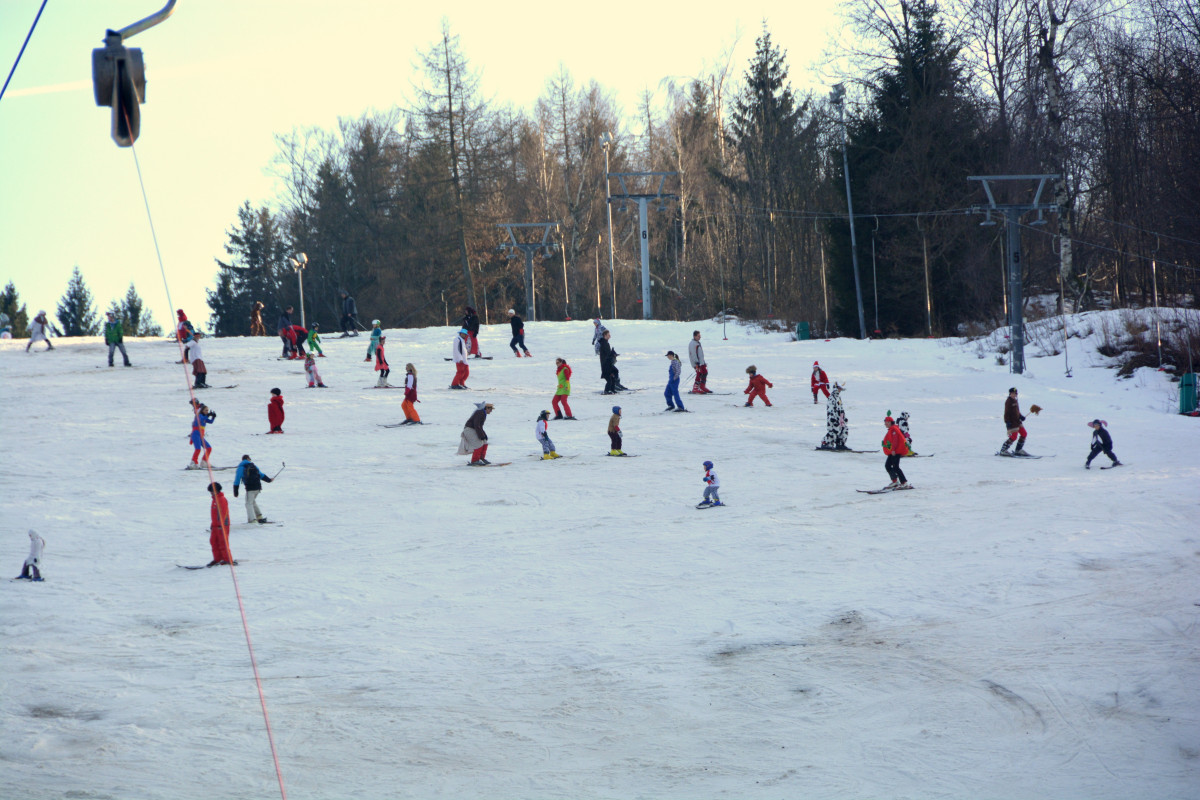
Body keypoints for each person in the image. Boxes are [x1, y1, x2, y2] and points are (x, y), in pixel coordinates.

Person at [233, 454, 274, 524]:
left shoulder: (241, 468)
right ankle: (259, 516)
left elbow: (237, 480)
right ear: (248, 459)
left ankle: (253, 520)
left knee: (248, 503)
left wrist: (236, 492)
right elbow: (261, 475)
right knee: (252, 501)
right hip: (258, 488)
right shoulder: (254, 466)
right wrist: (269, 480)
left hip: (250, 488)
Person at [1000, 387, 1039, 455]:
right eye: (1013, 393)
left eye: (1016, 393)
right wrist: (1007, 421)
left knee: (1024, 433)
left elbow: (1017, 411)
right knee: (1014, 437)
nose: (1015, 394)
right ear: (1010, 393)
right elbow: (1006, 412)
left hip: (1018, 421)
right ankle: (1003, 450)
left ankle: (1018, 450)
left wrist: (1021, 416)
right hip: (1012, 422)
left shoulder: (1015, 400)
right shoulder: (1008, 401)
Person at [207, 482, 235, 567]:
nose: (211, 493)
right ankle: (217, 559)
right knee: (213, 542)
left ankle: (227, 559)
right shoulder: (214, 500)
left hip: (222, 526)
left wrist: (221, 525)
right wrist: (213, 524)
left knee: (223, 543)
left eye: (212, 491)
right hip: (215, 526)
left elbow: (223, 513)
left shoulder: (222, 499)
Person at [882, 414, 911, 489]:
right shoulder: (892, 429)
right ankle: (895, 481)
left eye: (886, 422)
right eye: (885, 422)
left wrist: (893, 450)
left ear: (890, 422)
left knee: (895, 467)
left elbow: (895, 440)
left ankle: (904, 482)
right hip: (893, 451)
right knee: (888, 465)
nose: (885, 424)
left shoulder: (894, 429)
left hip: (896, 451)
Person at [818, 383, 849, 450]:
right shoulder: (831, 397)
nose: (840, 390)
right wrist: (833, 418)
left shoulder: (838, 397)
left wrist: (844, 417)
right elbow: (831, 409)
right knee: (833, 431)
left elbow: (841, 408)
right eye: (839, 388)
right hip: (833, 418)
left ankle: (840, 443)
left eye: (841, 389)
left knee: (844, 430)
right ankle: (825, 443)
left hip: (840, 418)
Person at [187, 399, 216, 468]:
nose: (207, 411)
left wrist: (213, 417)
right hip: (195, 434)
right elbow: (201, 419)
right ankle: (193, 462)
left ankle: (204, 462)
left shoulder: (204, 417)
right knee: (198, 449)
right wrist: (207, 415)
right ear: (202, 410)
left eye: (207, 410)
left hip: (200, 436)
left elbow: (210, 421)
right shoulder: (199, 415)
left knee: (209, 448)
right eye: (206, 410)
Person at [599, 330, 619, 394]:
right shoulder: (604, 343)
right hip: (606, 365)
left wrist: (613, 353)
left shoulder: (605, 343)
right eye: (608, 335)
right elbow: (607, 354)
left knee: (613, 375)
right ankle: (607, 390)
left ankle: (612, 389)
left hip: (608, 363)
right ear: (605, 335)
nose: (610, 336)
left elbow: (608, 353)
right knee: (610, 378)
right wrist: (612, 354)